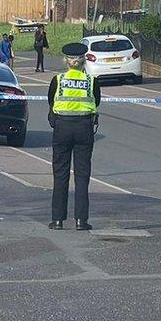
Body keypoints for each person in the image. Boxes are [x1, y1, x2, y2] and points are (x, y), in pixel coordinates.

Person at [47, 43, 101, 231]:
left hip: (62, 127)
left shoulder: (58, 79)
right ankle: (81, 220)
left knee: (60, 174)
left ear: (66, 61)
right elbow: (97, 101)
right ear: (83, 60)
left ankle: (57, 220)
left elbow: (51, 101)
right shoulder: (92, 81)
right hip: (84, 128)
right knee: (82, 175)